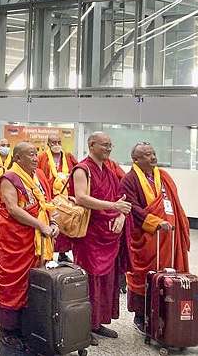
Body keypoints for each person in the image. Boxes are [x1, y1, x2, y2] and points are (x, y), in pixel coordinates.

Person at [0, 142, 58, 350]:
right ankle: (7, 330)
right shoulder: (9, 179)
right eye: (30, 155)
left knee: (32, 282)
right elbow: (12, 208)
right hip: (14, 241)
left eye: (36, 154)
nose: (35, 158)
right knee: (11, 282)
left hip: (34, 241)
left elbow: (47, 202)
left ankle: (26, 327)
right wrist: (41, 225)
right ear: (17, 158)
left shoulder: (38, 176)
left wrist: (53, 222)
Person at [69, 131, 132, 345]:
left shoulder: (110, 170)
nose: (108, 148)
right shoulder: (82, 169)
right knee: (89, 279)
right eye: (104, 145)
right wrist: (113, 207)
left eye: (110, 145)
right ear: (92, 145)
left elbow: (120, 198)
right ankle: (84, 325)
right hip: (89, 234)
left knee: (106, 281)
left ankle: (98, 321)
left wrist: (121, 215)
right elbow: (81, 197)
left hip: (109, 233)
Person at [121, 142, 191, 333]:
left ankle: (167, 310)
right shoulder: (129, 179)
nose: (153, 157)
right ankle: (140, 316)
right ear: (136, 160)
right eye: (147, 155)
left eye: (153, 153)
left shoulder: (164, 177)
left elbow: (173, 202)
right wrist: (154, 221)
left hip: (169, 237)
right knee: (144, 275)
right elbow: (133, 207)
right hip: (146, 237)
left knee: (170, 274)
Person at [37, 134, 78, 262]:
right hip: (50, 197)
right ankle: (48, 254)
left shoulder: (67, 157)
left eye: (58, 142)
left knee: (65, 227)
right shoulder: (42, 158)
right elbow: (38, 175)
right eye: (53, 143)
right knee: (51, 224)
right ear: (48, 144)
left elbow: (78, 170)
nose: (57, 145)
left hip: (66, 197)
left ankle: (62, 253)